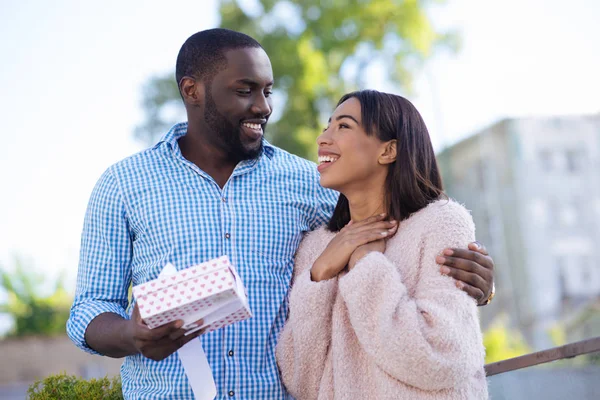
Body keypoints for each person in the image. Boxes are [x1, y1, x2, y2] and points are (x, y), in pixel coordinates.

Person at [67, 29, 495, 399]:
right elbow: (88, 309)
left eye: (267, 91)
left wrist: (467, 284)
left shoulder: (310, 181)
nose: (263, 106)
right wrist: (133, 336)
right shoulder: (123, 184)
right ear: (192, 90)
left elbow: (398, 231)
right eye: (244, 90)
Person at [276, 90, 489, 399]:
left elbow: (441, 357)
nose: (323, 138)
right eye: (327, 126)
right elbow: (302, 382)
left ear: (388, 151)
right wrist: (320, 274)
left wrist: (365, 266)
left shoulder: (440, 223)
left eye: (343, 126)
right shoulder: (317, 249)